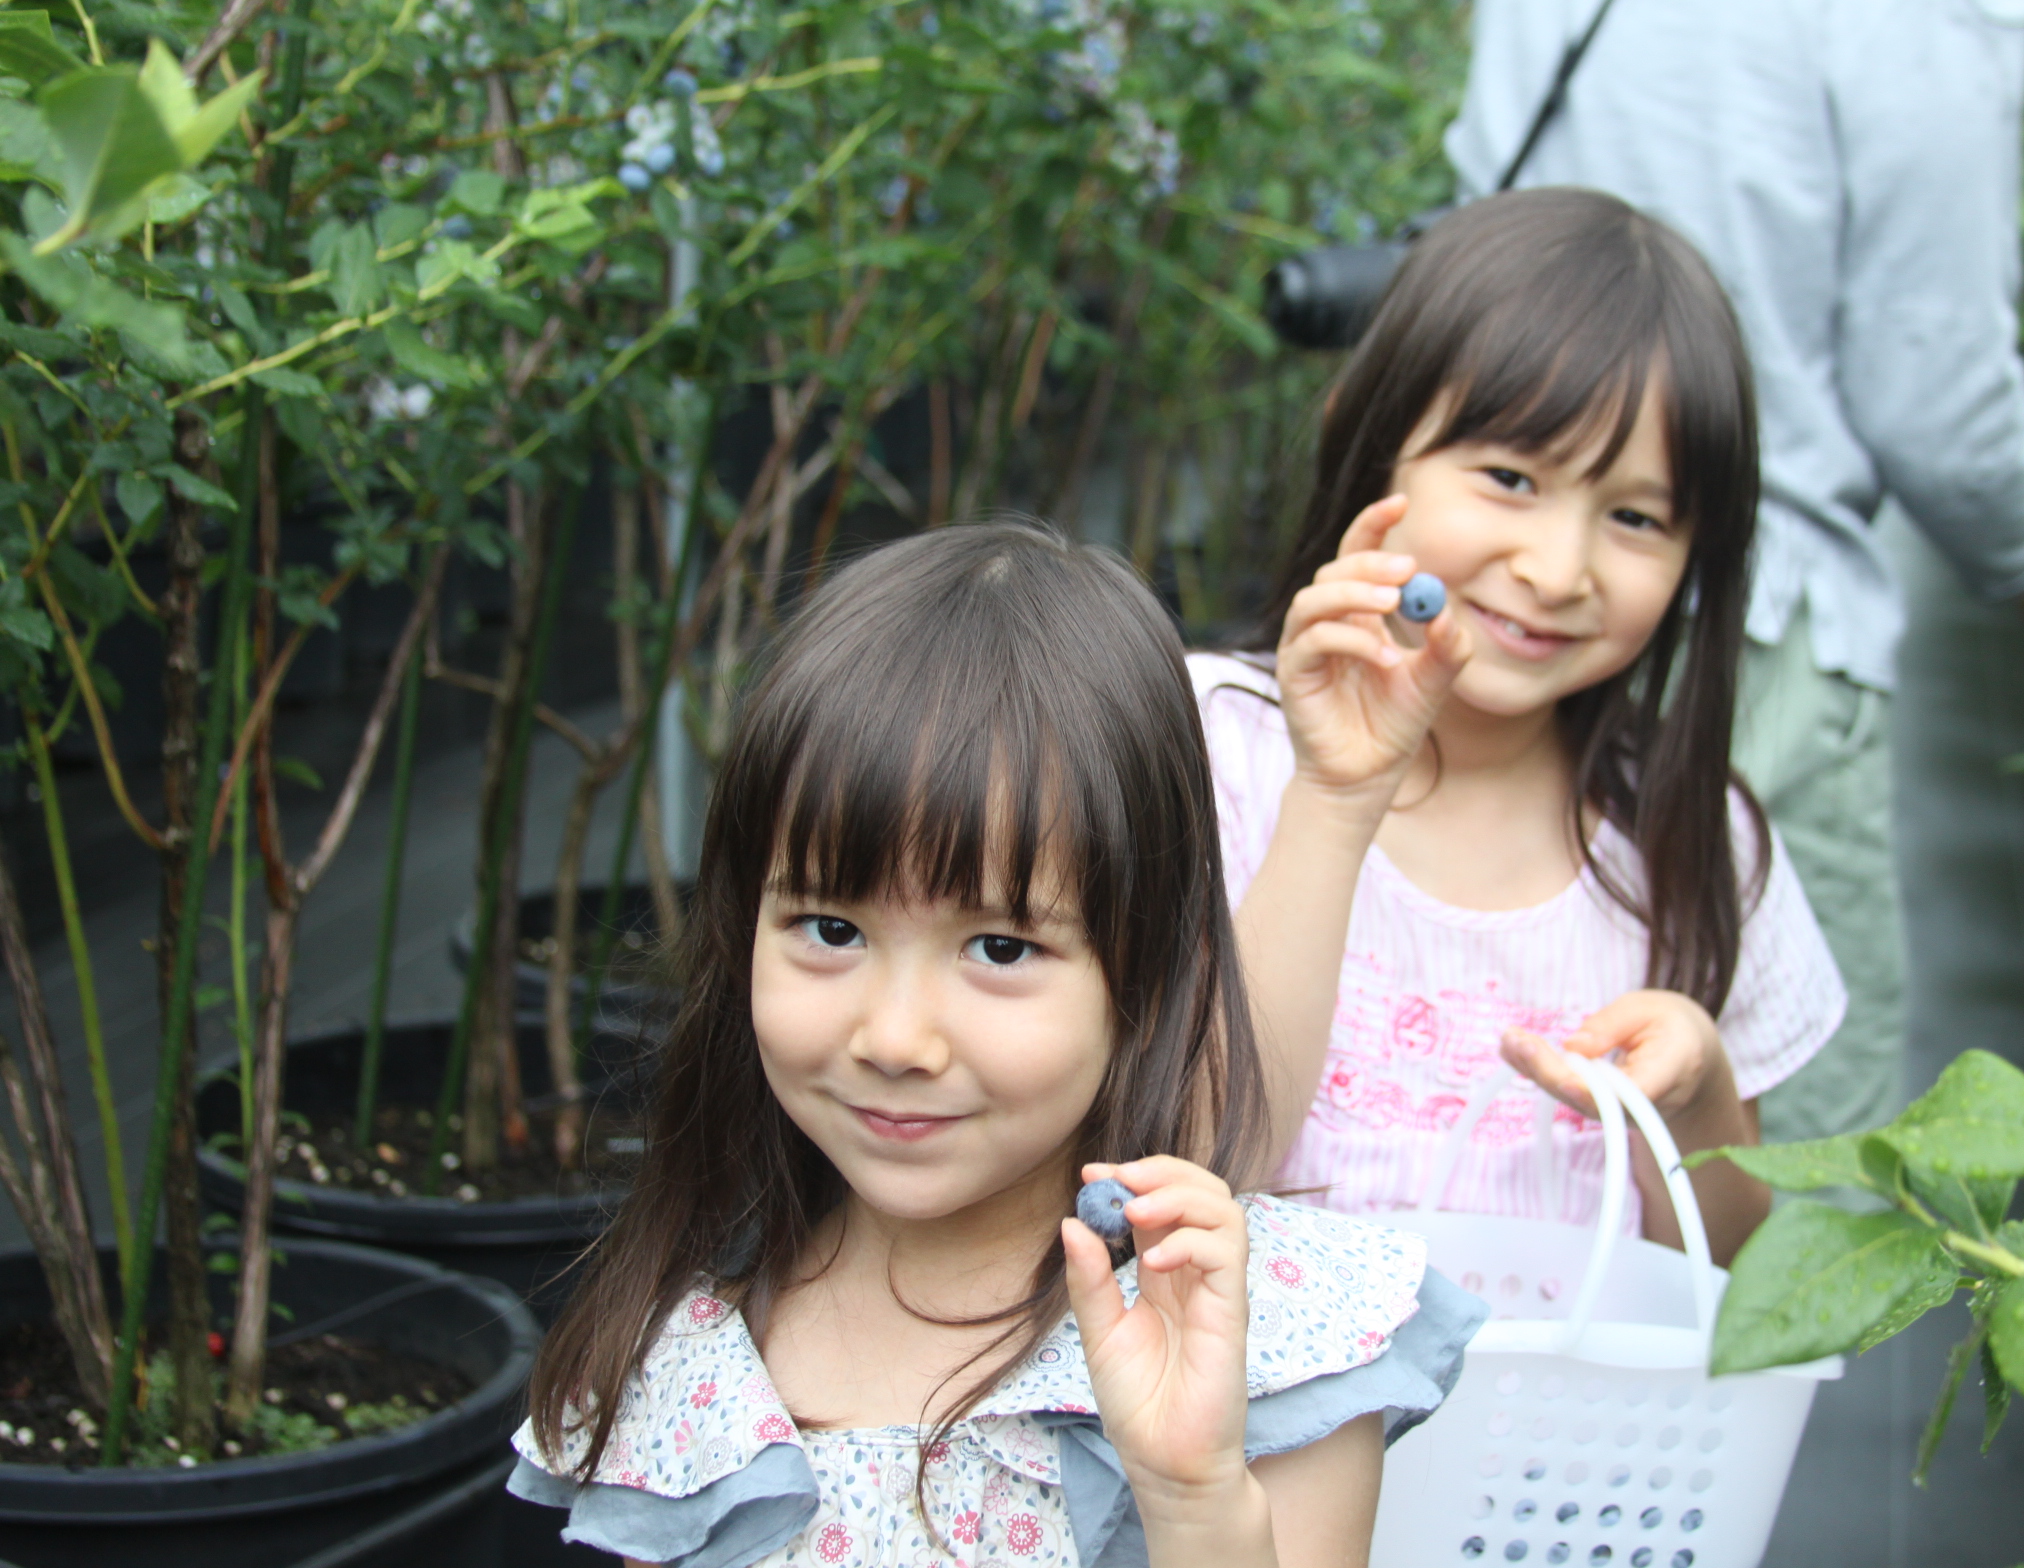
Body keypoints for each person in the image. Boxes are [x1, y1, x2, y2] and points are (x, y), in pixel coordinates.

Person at [509, 524, 1483, 1568]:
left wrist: (1194, 1493)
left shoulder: (1254, 1337)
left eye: (1000, 945)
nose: (895, 1036)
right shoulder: (688, 1367)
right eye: (831, 929)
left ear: (1148, 968)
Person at [1443, 0, 2024, 1143]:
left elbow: (1481, 226)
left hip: (1480, 594)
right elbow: (1933, 386)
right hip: (1752, 623)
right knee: (1795, 1127)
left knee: (1486, 1044)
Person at [1197, 191, 1846, 1265]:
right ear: (1370, 444)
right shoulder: (1207, 746)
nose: (1556, 569)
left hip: (1552, 1431)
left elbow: (1722, 1259)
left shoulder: (1694, 842)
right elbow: (1202, 1151)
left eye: (1635, 516)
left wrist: (1697, 1094)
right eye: (1509, 477)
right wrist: (1334, 794)